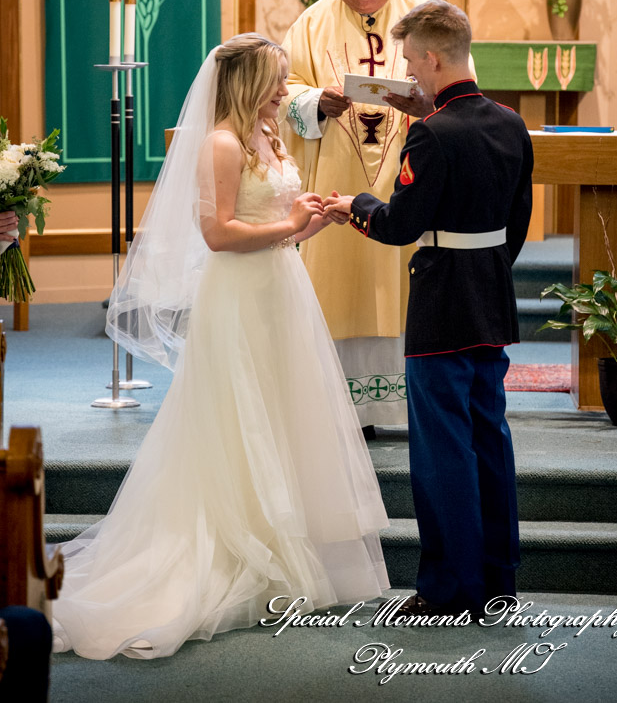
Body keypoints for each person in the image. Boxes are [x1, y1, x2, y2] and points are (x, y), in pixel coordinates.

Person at [52, 34, 389, 660]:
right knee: (240, 419)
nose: (284, 91)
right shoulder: (222, 143)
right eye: (275, 80)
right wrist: (289, 224)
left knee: (282, 411)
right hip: (237, 298)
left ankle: (283, 530)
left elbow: (275, 228)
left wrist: (311, 221)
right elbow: (217, 233)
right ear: (242, 85)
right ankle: (238, 542)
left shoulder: (268, 136)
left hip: (280, 289)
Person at [325, 0, 533, 616]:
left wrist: (356, 204)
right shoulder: (508, 123)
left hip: (442, 310)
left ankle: (450, 589)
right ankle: (497, 580)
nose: (408, 74)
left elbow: (398, 226)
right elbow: (516, 224)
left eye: (412, 61)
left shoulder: (431, 134)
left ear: (434, 57)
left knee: (442, 454)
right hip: (492, 303)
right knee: (489, 441)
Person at [281, 0, 431, 429]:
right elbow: (283, 94)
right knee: (336, 287)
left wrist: (422, 102)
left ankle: (403, 412)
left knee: (400, 287)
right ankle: (340, 414)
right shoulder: (309, 24)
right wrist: (314, 102)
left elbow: (458, 82)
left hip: (407, 180)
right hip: (333, 188)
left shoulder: (426, 17)